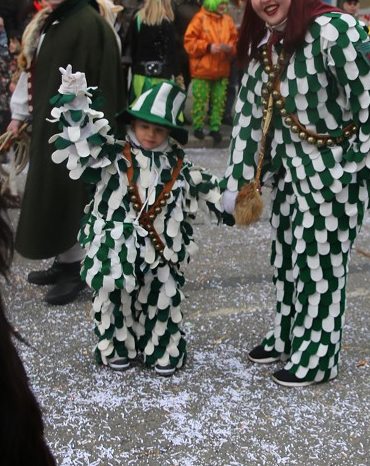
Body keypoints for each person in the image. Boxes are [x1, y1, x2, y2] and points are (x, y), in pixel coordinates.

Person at [223, 0, 370, 387]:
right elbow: (249, 121)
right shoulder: (263, 46)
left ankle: (319, 356)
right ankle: (289, 333)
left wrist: (355, 171)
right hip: (290, 176)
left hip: (337, 173)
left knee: (319, 260)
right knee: (286, 255)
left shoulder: (333, 30)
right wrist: (242, 182)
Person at [49, 72, 232, 373]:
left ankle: (162, 350)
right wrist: (75, 103)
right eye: (144, 126)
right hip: (117, 248)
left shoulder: (179, 166)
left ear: (169, 133)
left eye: (159, 129)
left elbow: (211, 189)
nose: (150, 134)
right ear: (133, 124)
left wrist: (236, 196)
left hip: (163, 250)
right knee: (114, 299)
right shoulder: (112, 155)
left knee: (162, 300)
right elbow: (81, 141)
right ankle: (116, 346)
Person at [7, 0, 124, 304]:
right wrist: (21, 114)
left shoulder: (89, 24)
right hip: (53, 126)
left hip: (79, 132)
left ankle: (77, 268)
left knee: (73, 196)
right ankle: (64, 259)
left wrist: (96, 133)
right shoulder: (51, 21)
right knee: (52, 194)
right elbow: (34, 71)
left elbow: (104, 82)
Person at [184, 0, 238, 144]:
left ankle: (215, 128)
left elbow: (235, 41)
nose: (223, 7)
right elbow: (189, 42)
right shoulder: (200, 19)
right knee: (200, 100)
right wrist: (207, 47)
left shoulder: (227, 20)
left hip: (222, 70)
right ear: (213, 2)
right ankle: (198, 127)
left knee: (219, 100)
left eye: (225, 4)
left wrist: (231, 48)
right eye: (221, 3)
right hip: (203, 69)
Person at [126, 0, 177, 99]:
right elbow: (171, 51)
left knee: (138, 107)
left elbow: (133, 46)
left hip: (140, 74)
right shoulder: (167, 22)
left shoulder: (138, 19)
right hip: (162, 75)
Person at [170, 0, 202, 88]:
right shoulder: (176, 3)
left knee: (189, 79)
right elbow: (170, 23)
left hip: (195, 48)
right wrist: (177, 39)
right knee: (179, 79)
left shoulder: (200, 3)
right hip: (180, 47)